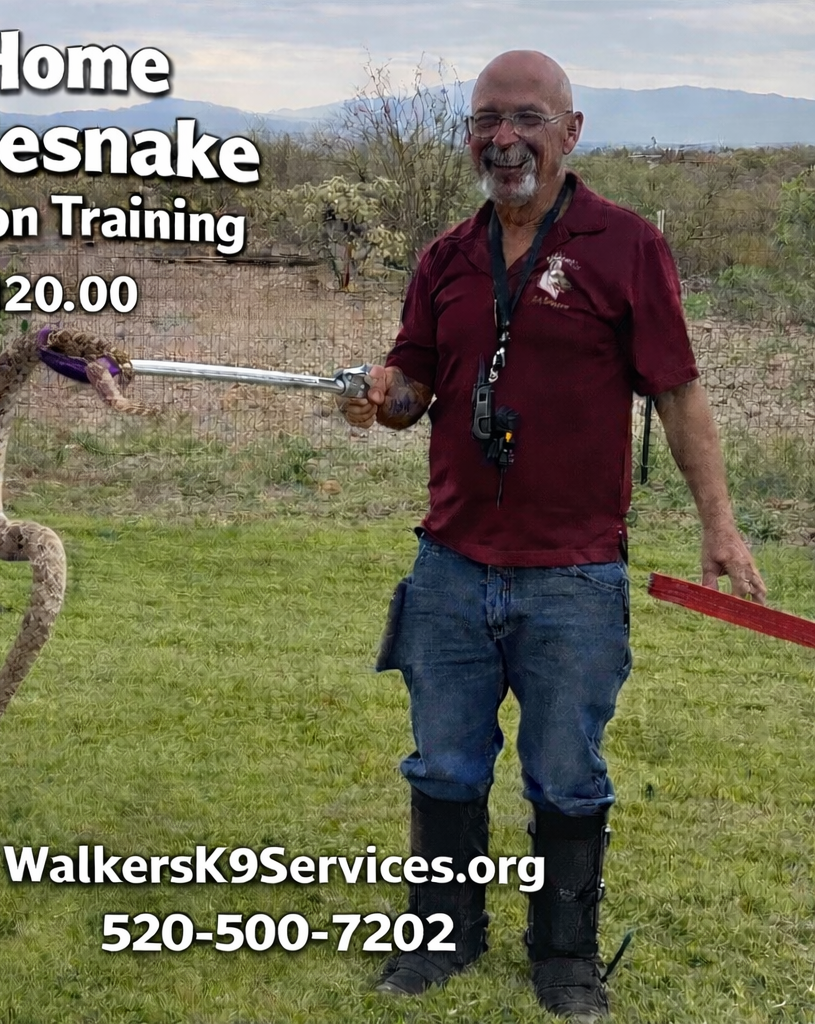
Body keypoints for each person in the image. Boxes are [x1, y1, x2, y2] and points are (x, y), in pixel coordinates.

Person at [339, 49, 766, 1022]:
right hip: (450, 566)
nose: (504, 138)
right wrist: (377, 396)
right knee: (442, 764)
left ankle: (565, 957)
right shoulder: (445, 258)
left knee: (568, 773)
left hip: (574, 575)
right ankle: (442, 936)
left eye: (527, 118)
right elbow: (410, 390)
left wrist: (719, 522)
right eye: (485, 120)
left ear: (570, 132)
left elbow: (677, 392)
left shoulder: (626, 246)